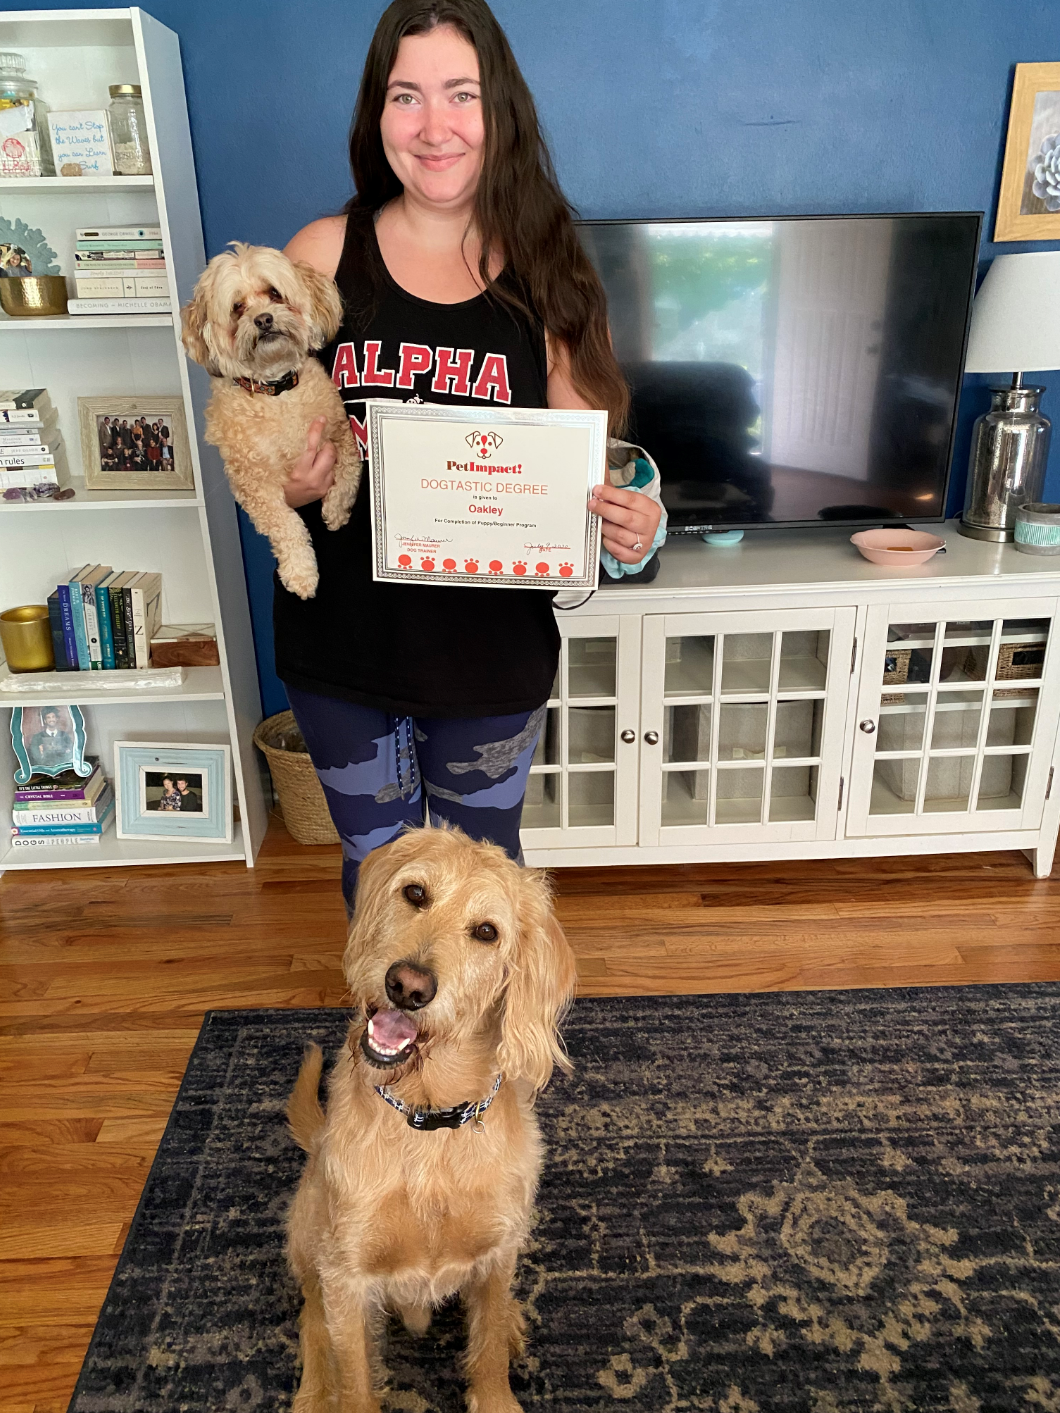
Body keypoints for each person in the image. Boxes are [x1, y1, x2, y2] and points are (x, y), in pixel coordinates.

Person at [276, 0, 663, 910]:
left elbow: (598, 470)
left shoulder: (553, 275)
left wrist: (635, 521)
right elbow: (260, 430)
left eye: (462, 94)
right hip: (344, 649)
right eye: (406, 96)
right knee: (379, 875)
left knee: (480, 882)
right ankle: (393, 1047)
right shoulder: (320, 257)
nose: (434, 125)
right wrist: (290, 483)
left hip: (490, 660)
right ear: (379, 116)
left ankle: (478, 1054)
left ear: (502, 114)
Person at [27, 708, 74, 772]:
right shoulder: (37, 737)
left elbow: (70, 753)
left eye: (53, 717)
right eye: (48, 718)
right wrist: (41, 753)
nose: (51, 719)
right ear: (45, 720)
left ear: (57, 719)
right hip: (44, 770)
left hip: (63, 769)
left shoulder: (65, 736)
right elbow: (35, 757)